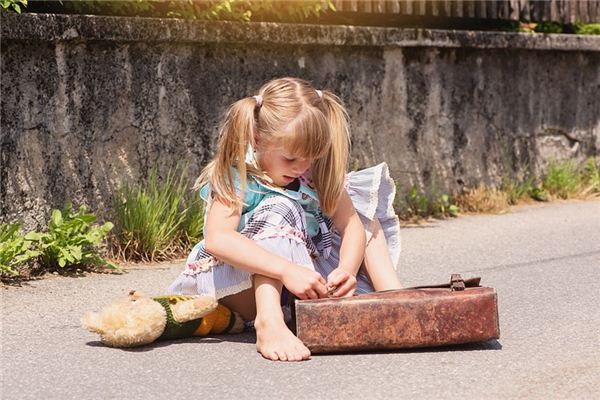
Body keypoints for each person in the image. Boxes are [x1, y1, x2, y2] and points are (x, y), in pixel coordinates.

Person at [166, 77, 402, 361]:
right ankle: (270, 323)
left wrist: (347, 271)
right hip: (241, 286)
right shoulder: (240, 175)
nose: (302, 167)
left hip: (301, 286)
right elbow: (218, 238)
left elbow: (351, 224)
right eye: (291, 159)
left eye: (311, 158)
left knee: (366, 217)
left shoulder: (312, 174)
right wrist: (286, 270)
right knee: (279, 206)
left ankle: (394, 298)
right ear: (257, 139)